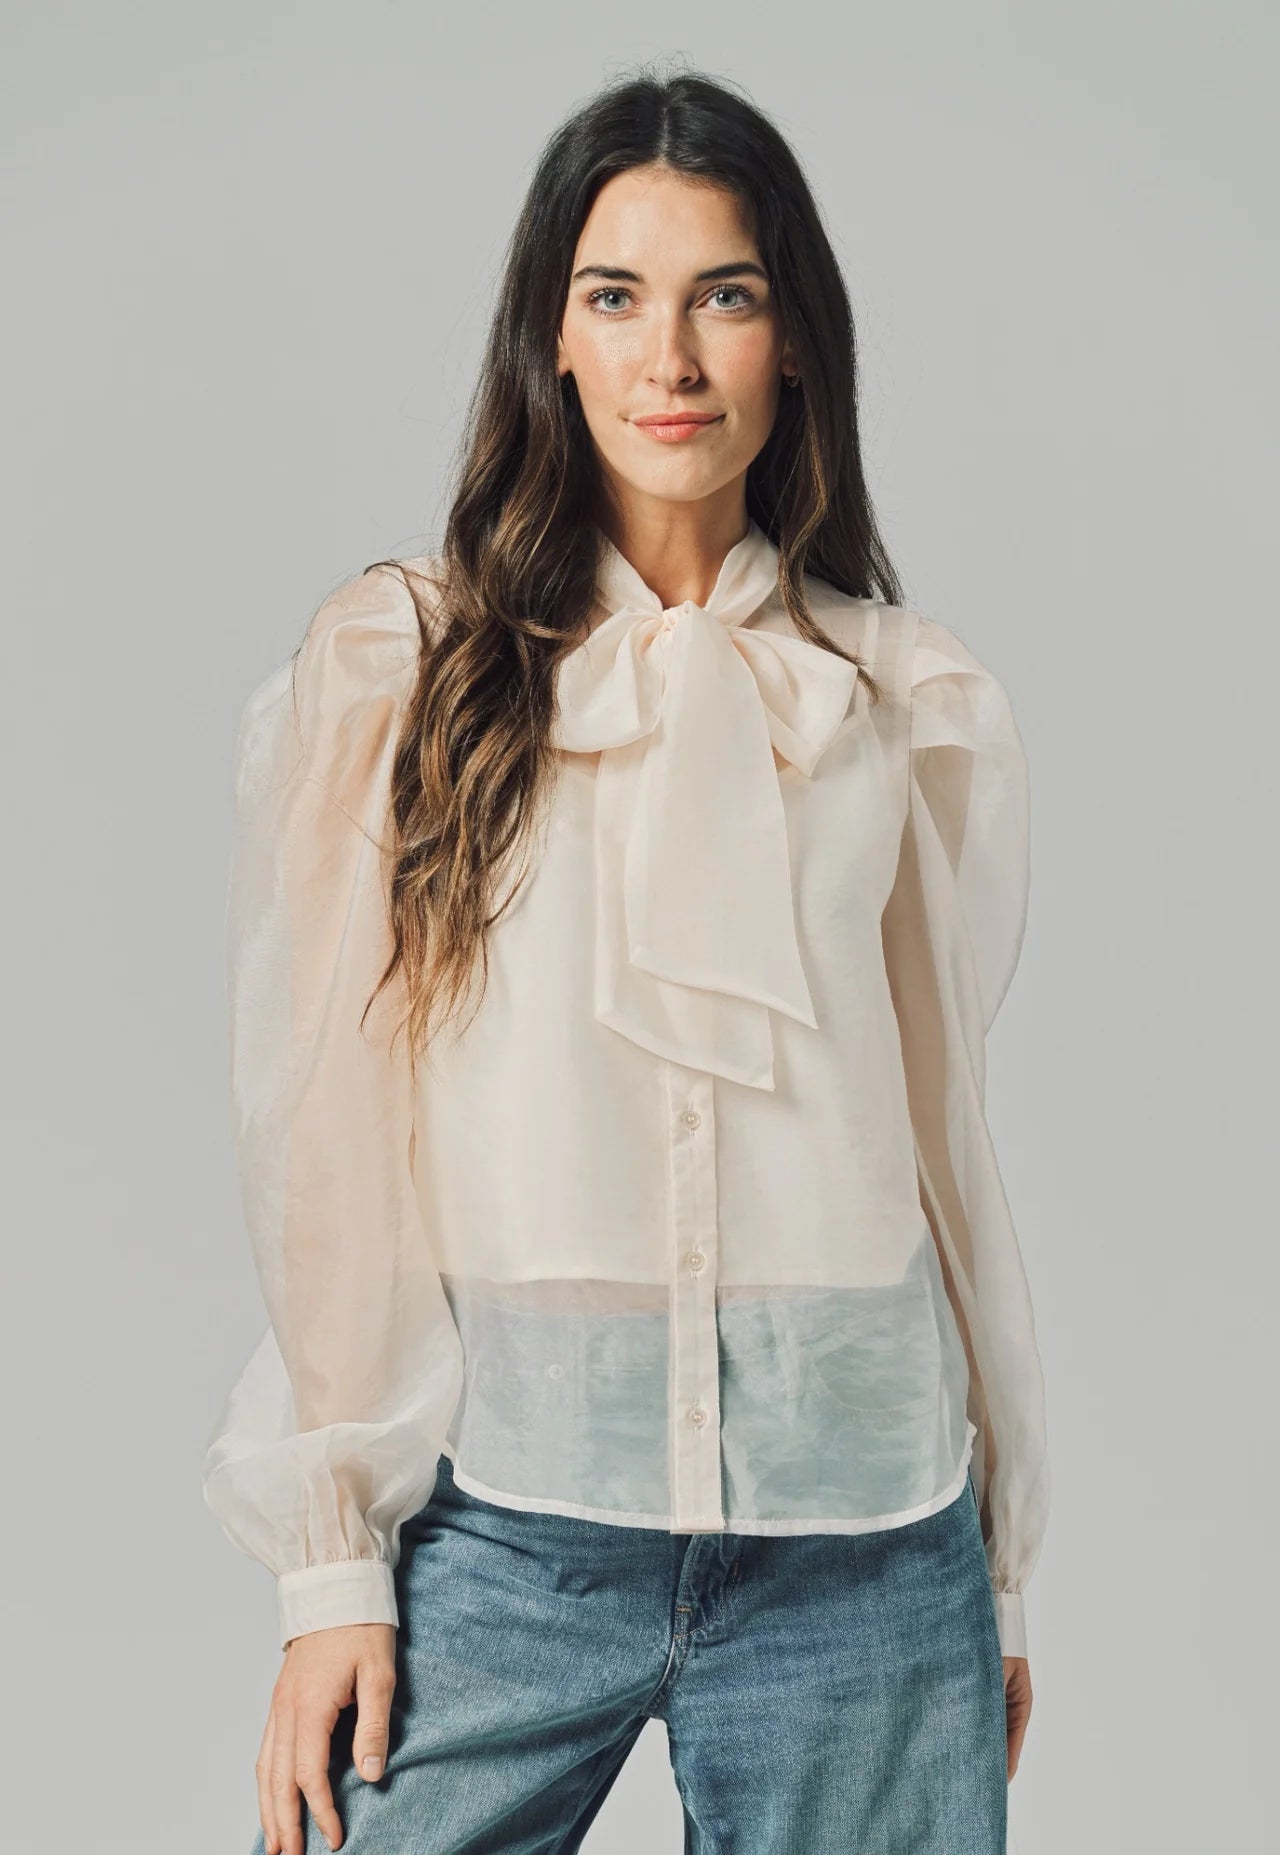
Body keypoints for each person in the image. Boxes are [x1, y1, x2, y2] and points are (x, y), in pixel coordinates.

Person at [202, 67, 1050, 1855]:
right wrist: (330, 1563)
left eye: (724, 296)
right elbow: (329, 1148)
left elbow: (943, 1144)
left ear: (793, 344)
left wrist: (1002, 1570)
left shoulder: (895, 700)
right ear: (555, 345)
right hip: (511, 1528)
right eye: (617, 298)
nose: (671, 356)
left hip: (867, 1548)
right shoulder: (404, 675)